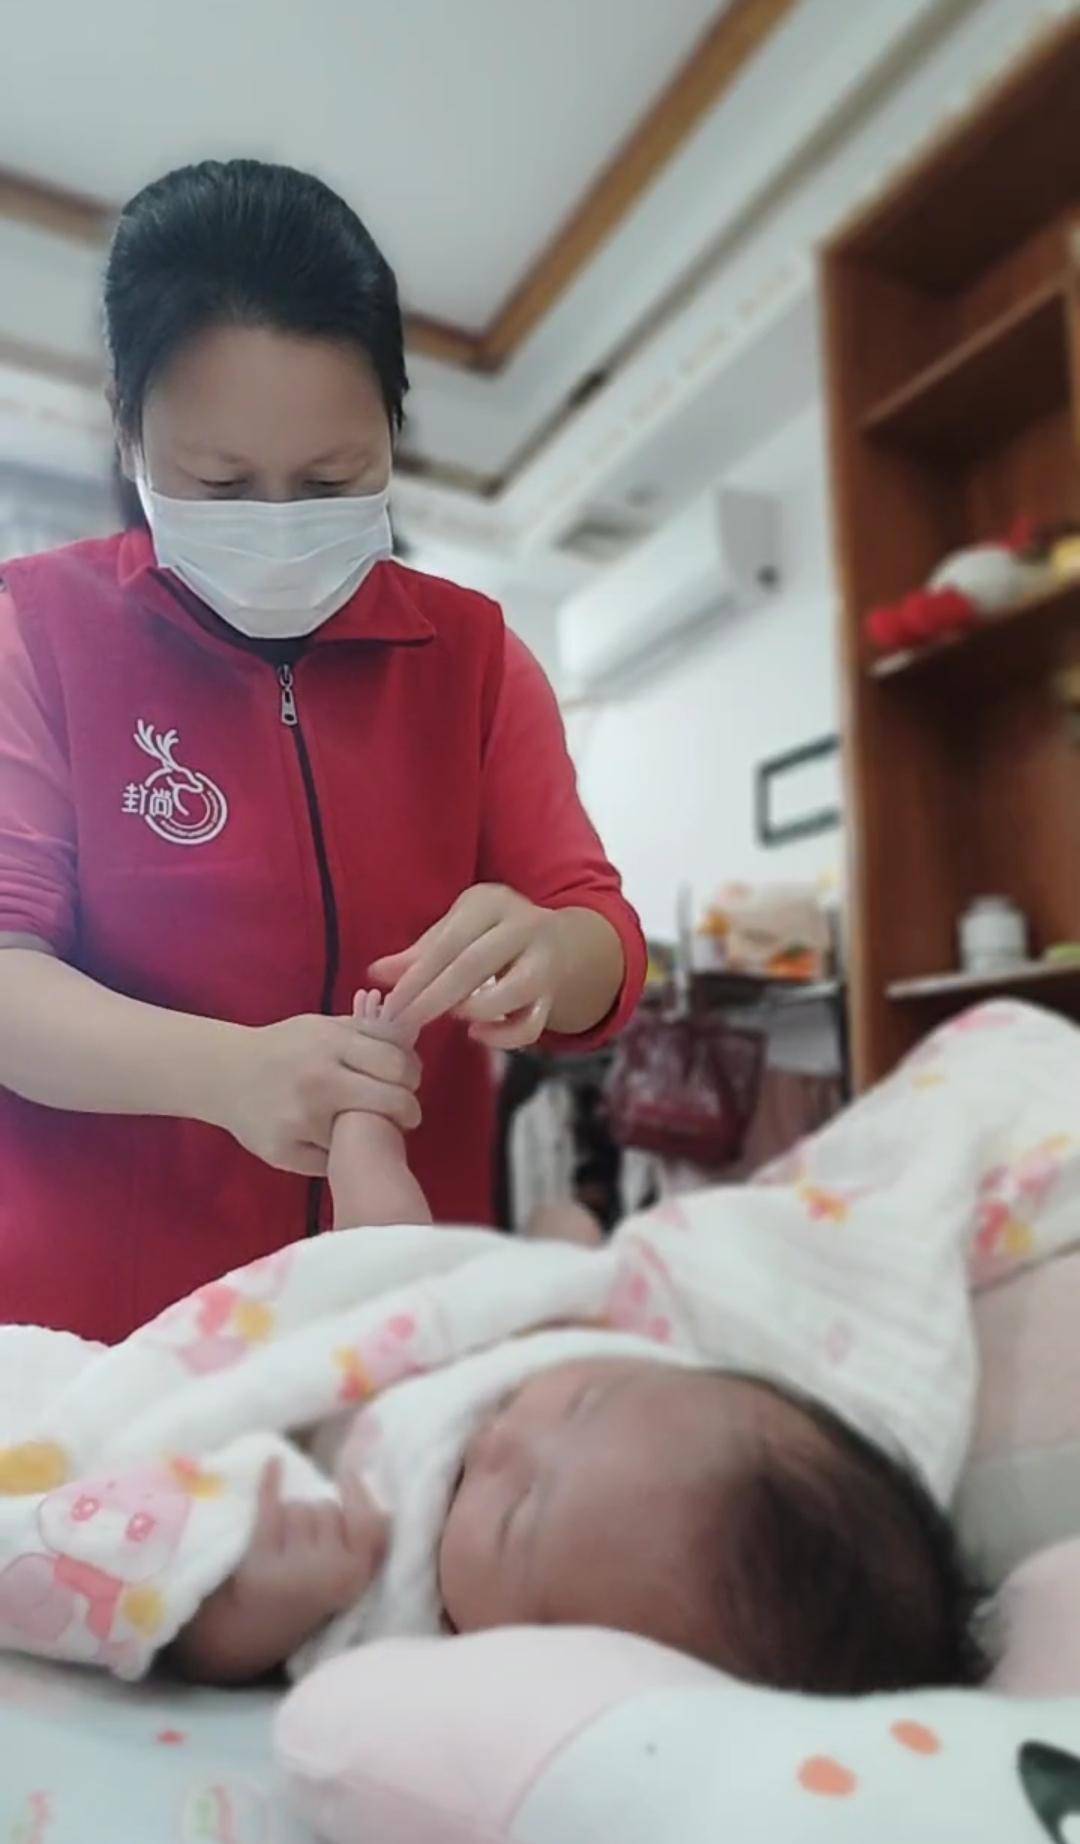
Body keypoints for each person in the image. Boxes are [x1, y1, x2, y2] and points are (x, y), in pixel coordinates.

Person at [0, 158, 646, 1343]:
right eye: (220, 483)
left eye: (332, 479)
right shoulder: (33, 631)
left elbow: (600, 938)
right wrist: (224, 1074)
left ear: (392, 429)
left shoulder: (473, 657)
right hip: (107, 1335)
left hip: (397, 1311)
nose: (279, 525)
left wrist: (550, 951)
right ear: (128, 429)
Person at [172, 1353, 987, 1695]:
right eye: (586, 1403)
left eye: (515, 1516)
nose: (501, 1440)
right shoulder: (582, 1362)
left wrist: (259, 1615)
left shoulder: (403, 1643)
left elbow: (166, 1605)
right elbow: (416, 1294)